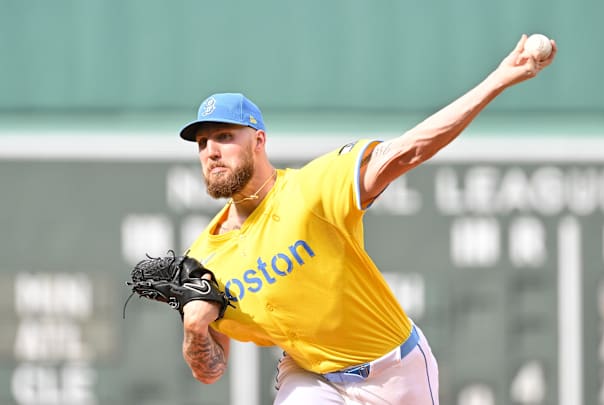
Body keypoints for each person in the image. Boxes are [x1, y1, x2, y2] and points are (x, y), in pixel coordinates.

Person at [176, 34, 556, 404]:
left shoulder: (312, 190)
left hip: (396, 369)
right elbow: (210, 370)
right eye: (202, 143)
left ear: (259, 141)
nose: (211, 151)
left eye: (224, 136)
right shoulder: (204, 259)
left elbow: (409, 150)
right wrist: (195, 329)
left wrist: (500, 78)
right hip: (312, 376)